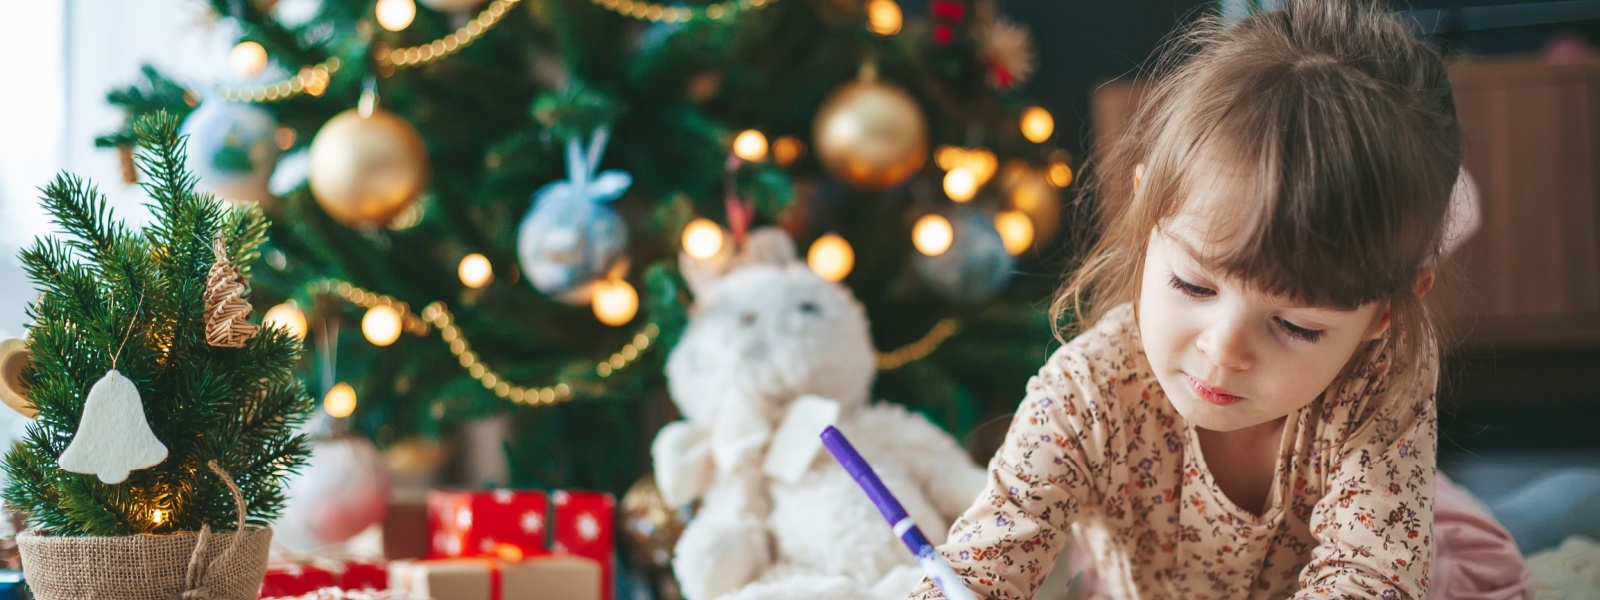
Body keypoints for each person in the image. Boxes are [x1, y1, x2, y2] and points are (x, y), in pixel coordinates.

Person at [910, 1, 1532, 598]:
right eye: (1194, 286)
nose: (1223, 350)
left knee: (1516, 529)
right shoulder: (1082, 396)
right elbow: (982, 564)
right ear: (1149, 208)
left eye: (1295, 325)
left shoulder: (1382, 374)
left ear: (1383, 316)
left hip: (1397, 540)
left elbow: (1369, 579)